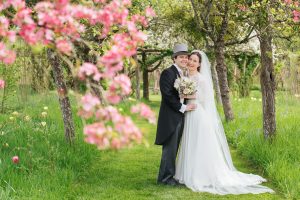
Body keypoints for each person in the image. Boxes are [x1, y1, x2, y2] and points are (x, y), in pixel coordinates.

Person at [174, 50, 275, 195]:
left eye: (195, 61)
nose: (190, 62)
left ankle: (202, 176)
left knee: (199, 145)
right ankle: (186, 173)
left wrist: (185, 93)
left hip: (197, 113)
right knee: (190, 143)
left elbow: (204, 98)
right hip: (188, 113)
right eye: (190, 59)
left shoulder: (201, 79)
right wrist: (182, 93)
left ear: (199, 64)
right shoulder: (184, 76)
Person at [155, 44, 197, 186]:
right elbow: (167, 95)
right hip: (170, 117)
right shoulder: (168, 73)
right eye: (181, 57)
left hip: (179, 116)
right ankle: (166, 179)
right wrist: (183, 107)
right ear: (174, 58)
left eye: (186, 57)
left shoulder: (183, 74)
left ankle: (165, 177)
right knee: (170, 149)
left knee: (174, 148)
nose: (185, 59)